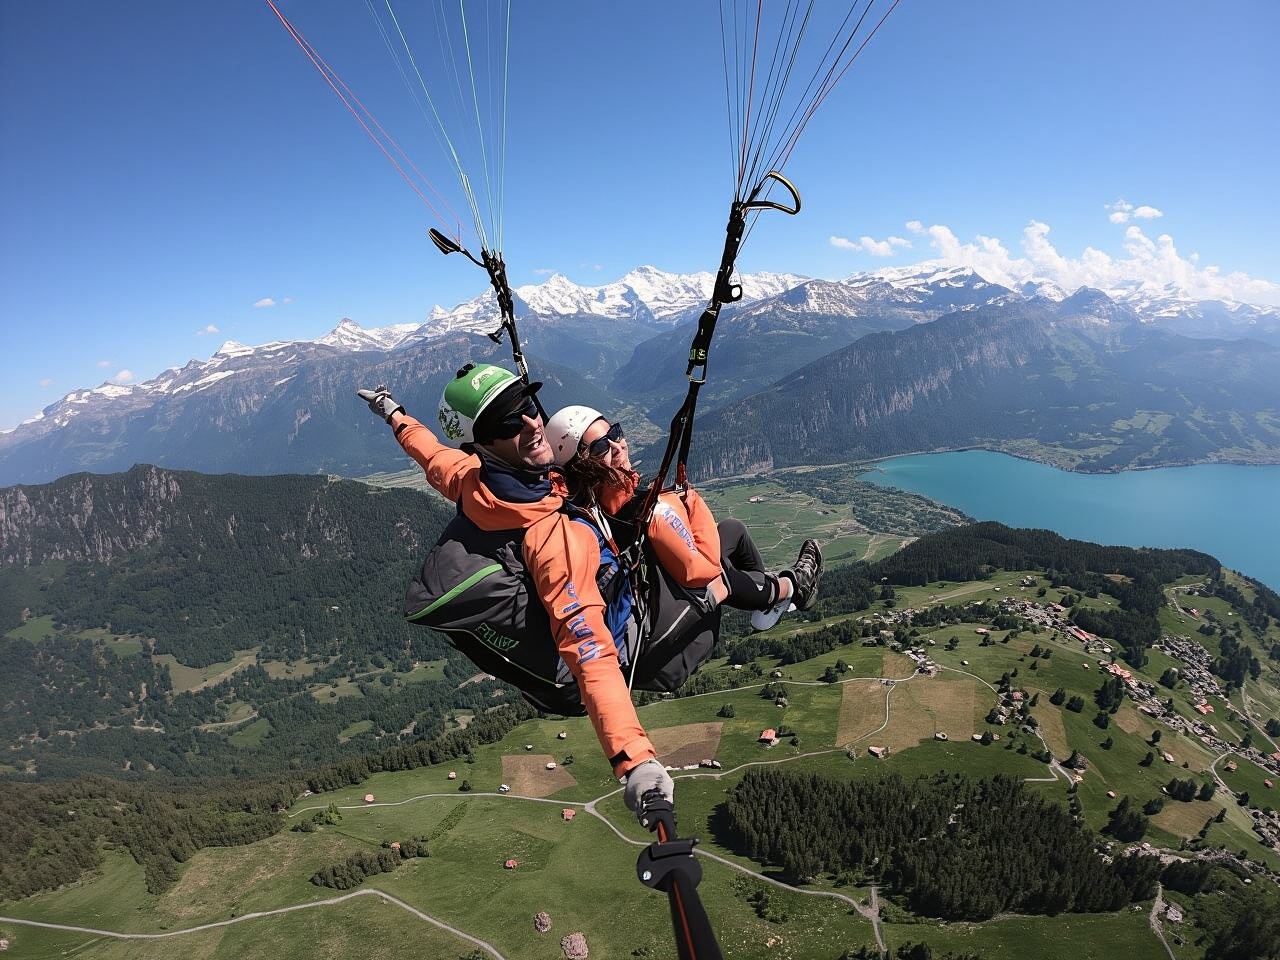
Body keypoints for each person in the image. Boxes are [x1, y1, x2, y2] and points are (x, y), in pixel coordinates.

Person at [357, 365, 672, 818]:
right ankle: (772, 593)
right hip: (612, 651)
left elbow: (428, 451)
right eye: (508, 422)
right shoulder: (553, 538)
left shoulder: (470, 480)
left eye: (527, 406)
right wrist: (636, 760)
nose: (531, 424)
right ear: (481, 444)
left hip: (556, 653)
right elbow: (588, 648)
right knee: (687, 566)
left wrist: (392, 411)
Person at [543, 405, 822, 629]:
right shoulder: (631, 509)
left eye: (615, 432)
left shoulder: (589, 499)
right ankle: (792, 587)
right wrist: (686, 505)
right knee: (721, 573)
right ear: (583, 466)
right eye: (601, 448)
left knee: (732, 529)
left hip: (664, 571)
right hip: (674, 591)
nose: (617, 446)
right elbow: (702, 568)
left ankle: (764, 599)